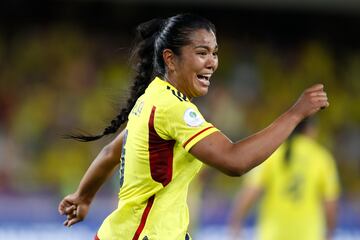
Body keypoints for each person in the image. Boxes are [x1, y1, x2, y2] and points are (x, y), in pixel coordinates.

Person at [58, 13, 329, 240]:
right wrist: (295, 114)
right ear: (170, 59)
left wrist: (83, 197)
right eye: (202, 53)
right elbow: (234, 161)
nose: (212, 62)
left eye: (214, 53)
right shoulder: (172, 107)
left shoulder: (153, 97)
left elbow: (110, 153)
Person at [229, 118, 340, 240]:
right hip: (308, 235)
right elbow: (330, 202)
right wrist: (330, 233)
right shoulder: (322, 158)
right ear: (310, 130)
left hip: (273, 234)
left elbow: (251, 191)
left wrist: (236, 222)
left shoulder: (272, 154)